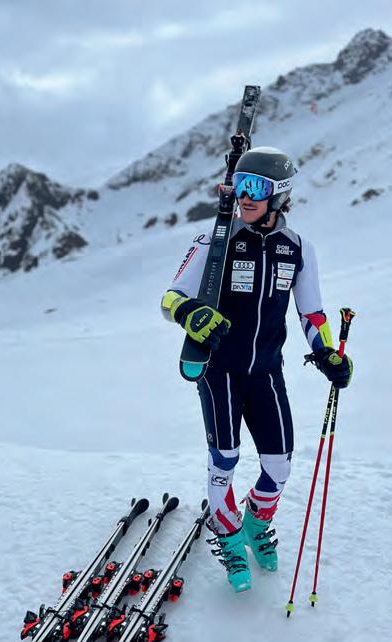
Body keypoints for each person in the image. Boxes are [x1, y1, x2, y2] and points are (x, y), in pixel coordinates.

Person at [160, 147, 353, 593]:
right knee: (224, 461)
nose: (245, 196)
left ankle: (254, 522)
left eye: (256, 188)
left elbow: (312, 313)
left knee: (279, 465)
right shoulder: (215, 239)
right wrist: (190, 313)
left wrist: (326, 352)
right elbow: (170, 299)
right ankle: (228, 538)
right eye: (240, 185)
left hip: (266, 372)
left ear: (279, 194)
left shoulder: (297, 249)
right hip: (219, 371)